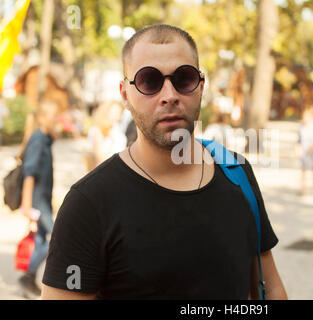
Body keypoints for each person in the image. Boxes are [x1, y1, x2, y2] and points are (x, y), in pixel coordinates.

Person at [41, 24, 287, 300]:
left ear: (200, 86)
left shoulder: (237, 174)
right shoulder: (88, 204)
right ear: (125, 94)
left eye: (183, 78)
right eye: (149, 81)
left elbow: (272, 287)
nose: (169, 95)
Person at [18, 100, 61, 298]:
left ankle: (30, 278)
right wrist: (27, 205)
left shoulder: (44, 138)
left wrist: (55, 136)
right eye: (53, 118)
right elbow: (29, 173)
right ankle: (27, 276)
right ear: (42, 119)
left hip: (44, 198)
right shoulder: (37, 140)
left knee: (42, 240)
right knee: (55, 239)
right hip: (37, 200)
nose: (56, 122)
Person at [84, 100, 127, 171]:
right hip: (107, 170)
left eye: (119, 113)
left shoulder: (116, 128)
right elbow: (99, 157)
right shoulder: (97, 130)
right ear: (105, 112)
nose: (117, 116)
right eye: (114, 112)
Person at [296, 106, 313, 195]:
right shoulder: (301, 127)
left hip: (312, 151)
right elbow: (298, 140)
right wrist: (298, 149)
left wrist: (309, 150)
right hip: (304, 150)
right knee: (303, 169)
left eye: (306, 117)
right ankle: (303, 188)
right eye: (304, 117)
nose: (305, 119)